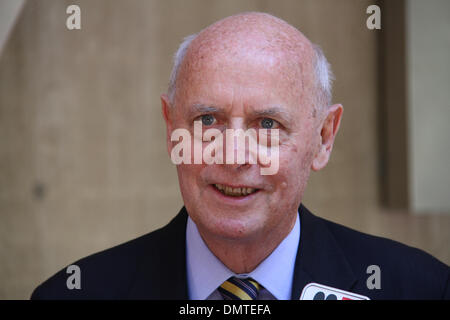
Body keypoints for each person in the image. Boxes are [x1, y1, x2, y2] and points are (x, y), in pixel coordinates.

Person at [31, 12, 449, 300]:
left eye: (267, 124)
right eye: (207, 119)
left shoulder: (422, 289)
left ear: (324, 138)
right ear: (171, 125)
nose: (234, 155)